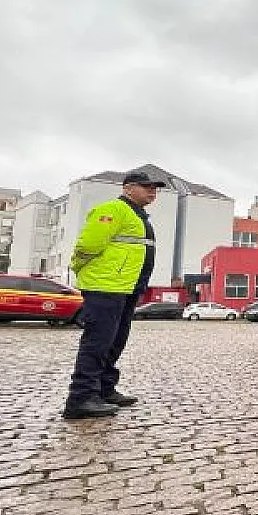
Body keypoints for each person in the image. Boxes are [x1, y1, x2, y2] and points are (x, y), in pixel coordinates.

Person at [63, 171, 164, 419]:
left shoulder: (139, 217)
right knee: (97, 342)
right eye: (146, 186)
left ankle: (104, 390)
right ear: (128, 188)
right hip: (105, 286)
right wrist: (79, 268)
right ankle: (81, 398)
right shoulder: (113, 209)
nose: (153, 191)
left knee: (114, 342)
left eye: (155, 188)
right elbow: (88, 245)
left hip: (125, 288)